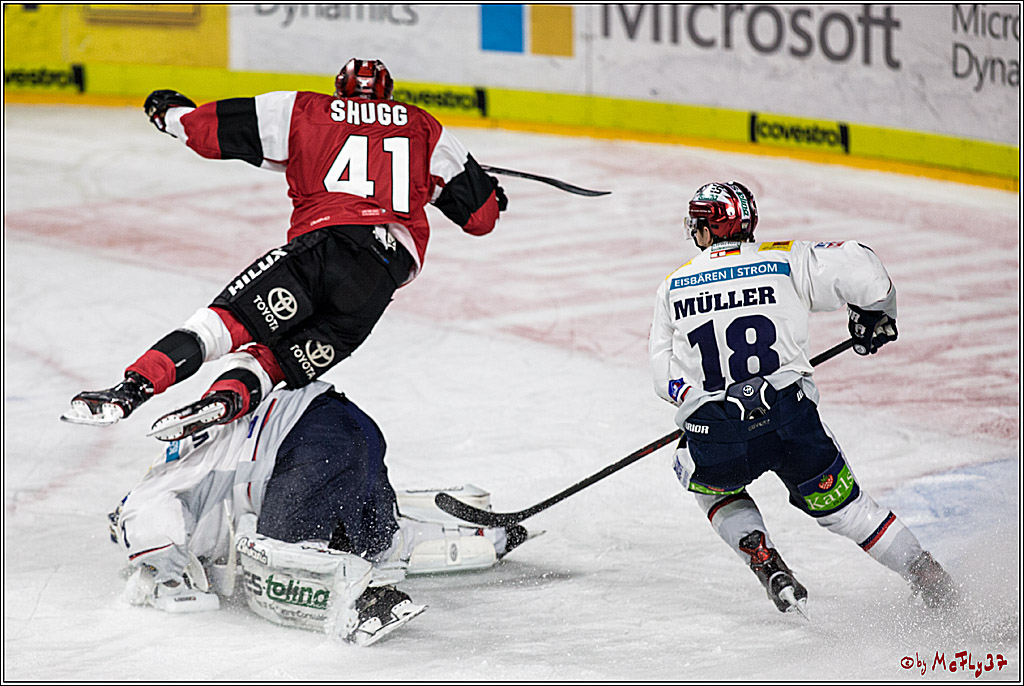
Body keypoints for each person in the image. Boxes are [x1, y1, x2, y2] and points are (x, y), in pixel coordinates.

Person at [63, 58, 507, 441]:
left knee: (227, 322)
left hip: (325, 248)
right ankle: (223, 400)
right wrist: (487, 193)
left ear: (340, 90)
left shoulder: (305, 109)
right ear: (389, 96)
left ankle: (133, 390)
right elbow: (480, 218)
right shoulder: (423, 126)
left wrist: (170, 113)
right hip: (378, 283)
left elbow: (209, 132)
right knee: (277, 360)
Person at [648, 181, 956, 617]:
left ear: (709, 228)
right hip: (791, 419)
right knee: (852, 512)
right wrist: (876, 316)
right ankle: (927, 574)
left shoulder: (672, 286)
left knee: (704, 478)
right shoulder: (784, 259)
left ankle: (762, 557)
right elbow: (869, 276)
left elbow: (664, 379)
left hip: (719, 433)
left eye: (698, 224)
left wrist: (695, 404)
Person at [109, 379, 530, 646]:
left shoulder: (149, 496)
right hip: (341, 426)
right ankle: (480, 537)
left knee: (272, 557)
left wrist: (166, 581)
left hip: (308, 439)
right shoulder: (187, 472)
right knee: (370, 541)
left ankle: (360, 599)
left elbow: (146, 525)